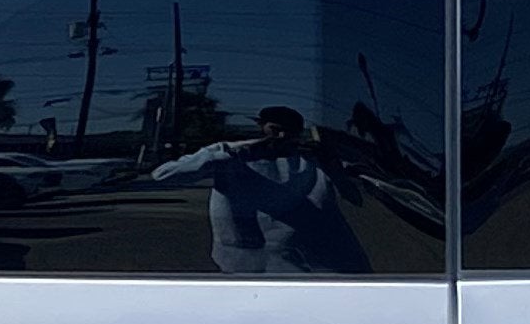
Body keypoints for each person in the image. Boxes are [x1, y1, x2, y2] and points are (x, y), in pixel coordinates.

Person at [144, 104, 368, 275]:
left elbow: (355, 199)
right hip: (242, 269)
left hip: (310, 270)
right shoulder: (228, 153)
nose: (281, 137)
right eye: (275, 130)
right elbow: (164, 175)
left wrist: (331, 165)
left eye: (289, 132)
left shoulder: (314, 160)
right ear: (261, 127)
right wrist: (234, 154)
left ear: (299, 133)